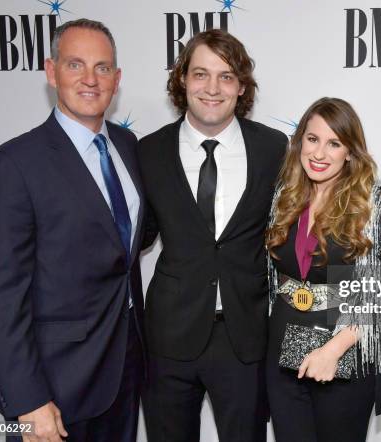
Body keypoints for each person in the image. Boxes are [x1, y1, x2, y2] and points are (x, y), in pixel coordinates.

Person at [0, 18, 145, 442]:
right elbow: (1, 296)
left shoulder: (129, 148)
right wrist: (28, 400)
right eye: (75, 65)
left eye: (103, 68)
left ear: (117, 78)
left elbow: (126, 243)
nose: (90, 79)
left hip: (123, 370)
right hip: (53, 384)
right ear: (52, 72)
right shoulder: (14, 164)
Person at [137, 29, 287, 442]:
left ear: (241, 87)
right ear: (183, 80)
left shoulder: (275, 148)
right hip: (169, 336)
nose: (212, 88)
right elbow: (137, 234)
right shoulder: (148, 152)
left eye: (226, 76)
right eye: (201, 74)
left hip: (244, 336)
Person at [265, 97, 381, 442]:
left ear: (350, 151)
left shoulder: (377, 200)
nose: (319, 153)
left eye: (334, 143)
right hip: (284, 350)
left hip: (345, 352)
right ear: (300, 142)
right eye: (312, 140)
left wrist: (333, 349)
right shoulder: (286, 195)